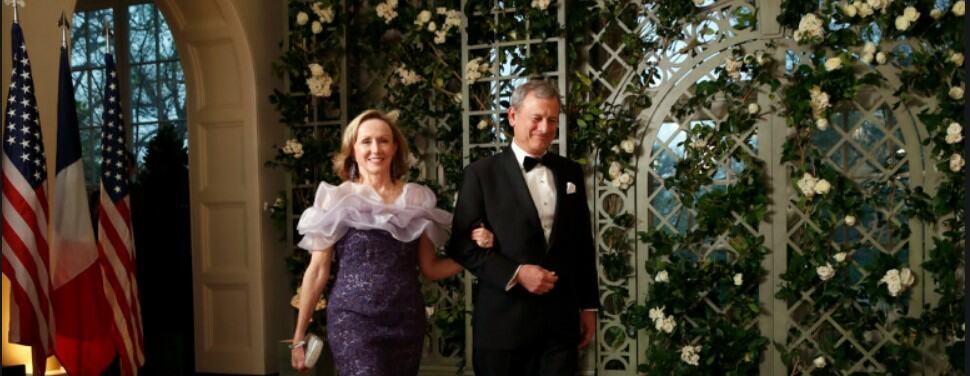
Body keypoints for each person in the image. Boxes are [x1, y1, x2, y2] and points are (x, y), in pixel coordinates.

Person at [289, 109, 495, 375]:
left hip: (406, 320)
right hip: (353, 320)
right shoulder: (336, 198)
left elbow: (431, 268)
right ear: (352, 149)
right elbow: (317, 270)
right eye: (366, 141)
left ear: (395, 147)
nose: (376, 149)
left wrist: (476, 253)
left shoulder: (417, 198)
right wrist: (299, 336)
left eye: (383, 140)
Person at [446, 80, 600, 375]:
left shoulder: (570, 172)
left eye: (552, 120)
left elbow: (582, 244)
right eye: (537, 118)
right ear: (513, 116)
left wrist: (589, 306)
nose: (545, 128)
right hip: (503, 328)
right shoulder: (481, 174)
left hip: (560, 328)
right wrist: (516, 274)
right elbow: (461, 245)